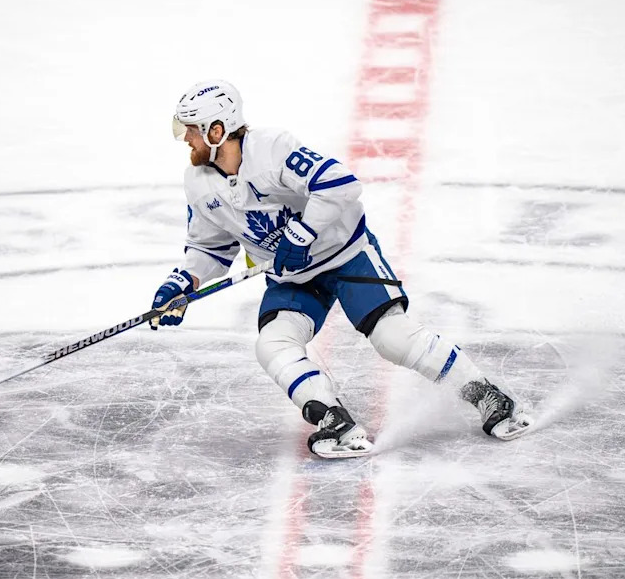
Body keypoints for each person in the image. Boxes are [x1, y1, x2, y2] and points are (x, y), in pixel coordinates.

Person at [149, 79, 531, 458]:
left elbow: (339, 184)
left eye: (191, 130)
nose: (186, 139)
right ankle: (334, 419)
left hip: (345, 256)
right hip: (293, 279)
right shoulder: (198, 183)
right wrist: (183, 282)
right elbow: (210, 247)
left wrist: (302, 234)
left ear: (216, 131)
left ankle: (487, 395)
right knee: (273, 345)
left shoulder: (271, 148)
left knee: (393, 338)